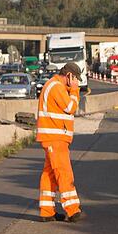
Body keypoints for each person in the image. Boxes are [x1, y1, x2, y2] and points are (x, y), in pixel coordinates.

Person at [37, 61, 84, 222]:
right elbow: (70, 107)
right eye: (75, 79)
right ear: (69, 76)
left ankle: (46, 211)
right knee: (64, 172)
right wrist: (75, 90)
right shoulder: (56, 86)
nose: (76, 82)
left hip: (52, 136)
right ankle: (72, 210)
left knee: (49, 173)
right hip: (55, 138)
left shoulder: (54, 85)